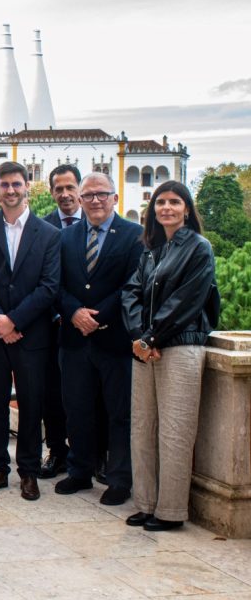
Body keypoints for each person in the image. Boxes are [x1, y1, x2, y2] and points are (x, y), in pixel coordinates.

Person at [122, 181, 218, 532]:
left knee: (175, 432)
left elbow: (187, 302)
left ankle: (170, 511)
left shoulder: (199, 248)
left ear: (187, 209)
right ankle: (146, 504)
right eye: (161, 202)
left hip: (179, 347)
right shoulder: (151, 250)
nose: (166, 208)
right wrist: (138, 336)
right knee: (143, 428)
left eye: (174, 202)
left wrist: (150, 337)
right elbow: (131, 293)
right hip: (145, 349)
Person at [0, 161, 60, 501]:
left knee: (32, 404)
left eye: (16, 184)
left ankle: (29, 472)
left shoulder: (49, 234)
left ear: (27, 187)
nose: (10, 190)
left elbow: (49, 287)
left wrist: (15, 321)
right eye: (4, 185)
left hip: (31, 334)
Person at [53, 172, 143, 506]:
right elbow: (55, 283)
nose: (94, 201)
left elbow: (133, 285)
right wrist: (75, 312)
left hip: (115, 341)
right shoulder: (65, 237)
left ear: (115, 198)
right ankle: (79, 471)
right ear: (79, 200)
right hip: (74, 340)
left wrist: (98, 317)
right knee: (76, 409)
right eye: (88, 195)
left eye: (101, 194)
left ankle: (119, 478)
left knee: (119, 413)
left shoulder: (134, 236)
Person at [39, 164, 84, 479]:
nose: (65, 194)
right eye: (59, 189)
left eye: (70, 187)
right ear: (51, 191)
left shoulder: (102, 222)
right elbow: (43, 280)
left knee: (93, 395)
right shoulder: (44, 227)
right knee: (51, 394)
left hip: (94, 325)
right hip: (53, 325)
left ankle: (96, 455)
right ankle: (57, 451)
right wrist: (63, 312)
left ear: (79, 188)